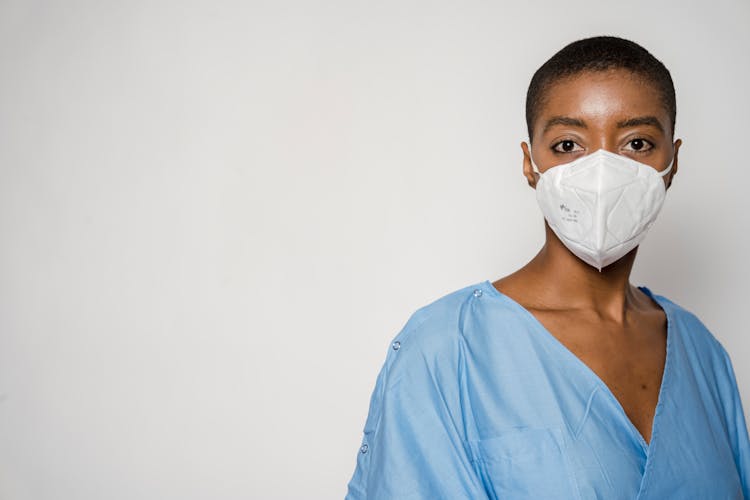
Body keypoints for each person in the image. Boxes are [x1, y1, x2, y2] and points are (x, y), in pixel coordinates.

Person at [345, 36, 750, 499]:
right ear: (530, 164)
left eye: (637, 142)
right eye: (568, 144)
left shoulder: (702, 354)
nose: (602, 172)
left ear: (671, 162)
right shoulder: (446, 350)